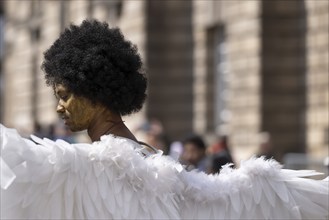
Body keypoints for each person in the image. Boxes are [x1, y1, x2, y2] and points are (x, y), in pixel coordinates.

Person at [1, 20, 328, 219]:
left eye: (64, 94)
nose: (59, 107)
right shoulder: (162, 166)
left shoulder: (78, 166)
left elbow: (13, 161)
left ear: (95, 91)